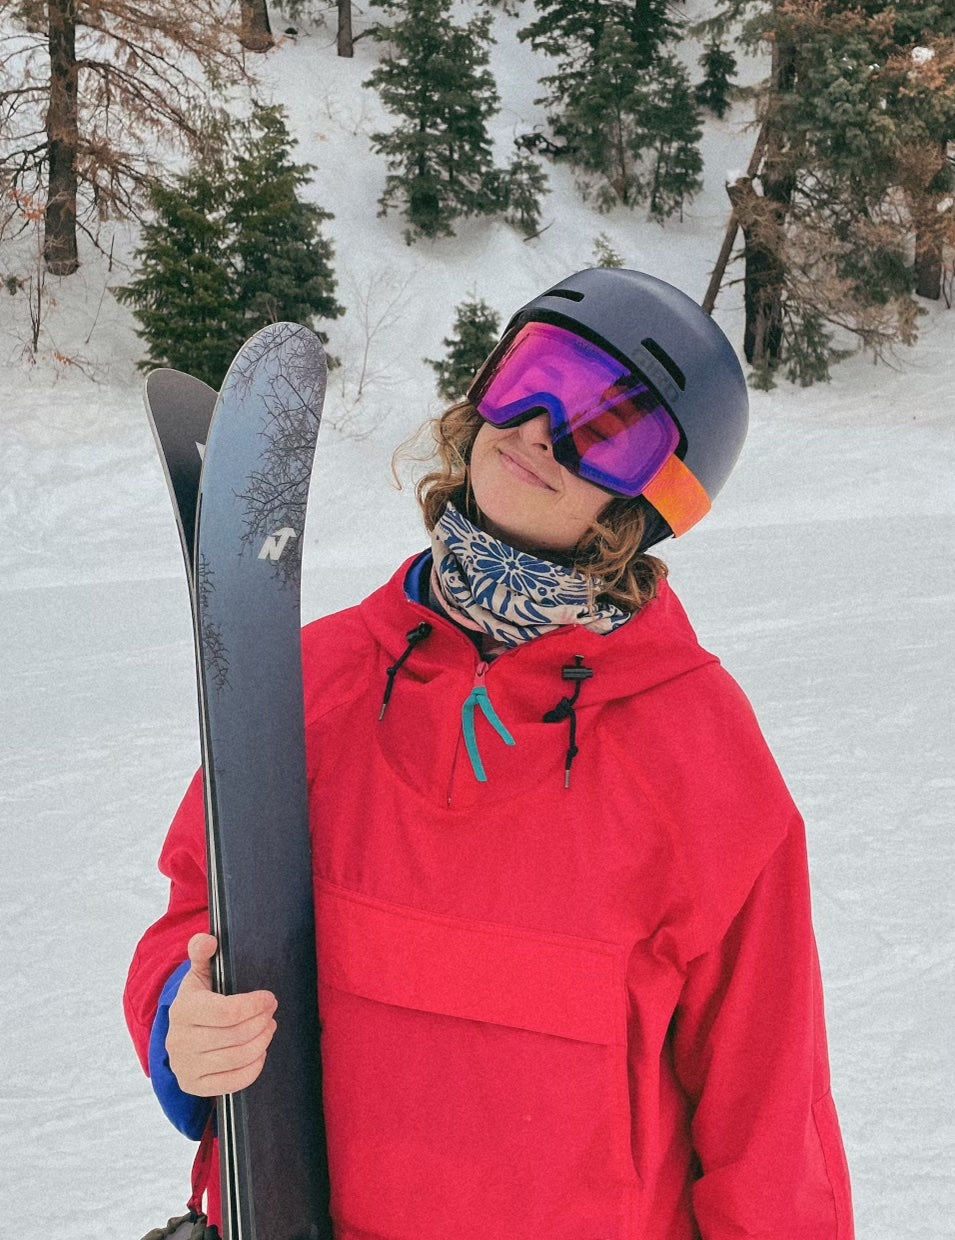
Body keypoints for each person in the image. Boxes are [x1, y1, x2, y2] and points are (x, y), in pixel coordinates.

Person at [125, 268, 855, 1239]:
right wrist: (182, 1016)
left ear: (652, 497)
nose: (543, 428)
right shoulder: (317, 680)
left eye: (608, 425)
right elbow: (195, 916)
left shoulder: (701, 758)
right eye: (534, 375)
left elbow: (769, 1131)